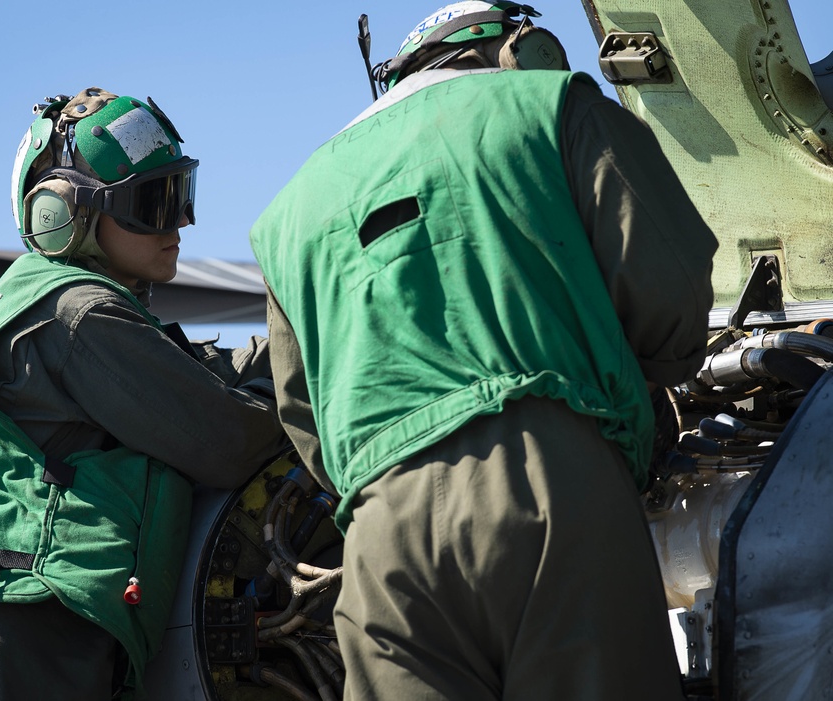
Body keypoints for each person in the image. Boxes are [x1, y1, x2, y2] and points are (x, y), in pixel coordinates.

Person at [249, 4, 718, 700]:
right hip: (553, 486)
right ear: (516, 51)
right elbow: (671, 289)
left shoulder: (287, 213)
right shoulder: (550, 104)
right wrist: (647, 394)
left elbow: (303, 412)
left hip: (382, 533)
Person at [0, 87, 288, 700]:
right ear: (62, 215)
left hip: (28, 637)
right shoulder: (77, 313)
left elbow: (199, 372)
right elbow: (229, 440)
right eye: (152, 203)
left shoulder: (78, 315)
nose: (179, 223)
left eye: (180, 194)